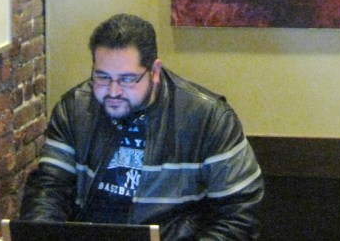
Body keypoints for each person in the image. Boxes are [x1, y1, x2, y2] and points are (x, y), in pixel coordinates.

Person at [19, 14, 264, 240]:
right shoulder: (74, 109)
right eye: (102, 77)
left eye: (127, 79)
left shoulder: (209, 119)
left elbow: (240, 216)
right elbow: (49, 189)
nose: (113, 91)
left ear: (154, 71)